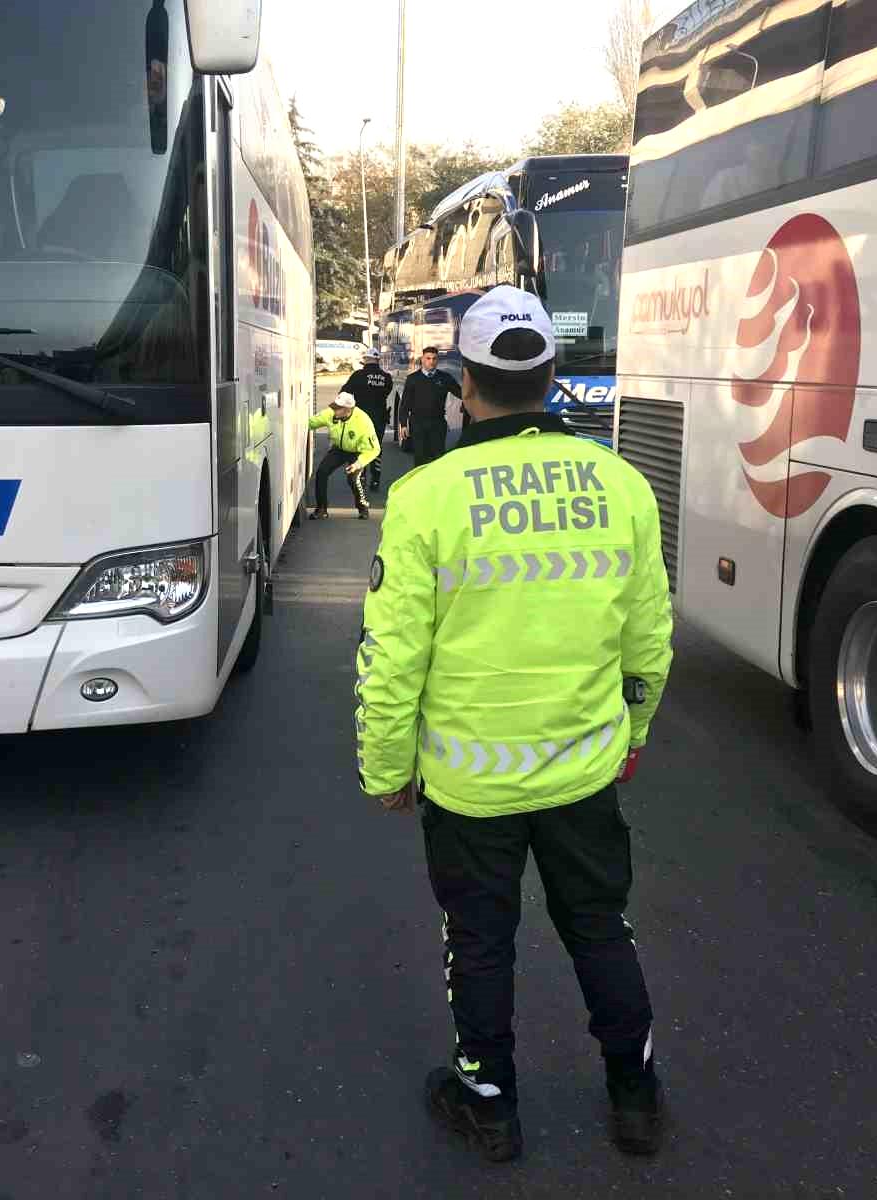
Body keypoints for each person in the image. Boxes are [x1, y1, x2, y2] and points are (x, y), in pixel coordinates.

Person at [354, 285, 674, 1163]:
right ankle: (635, 1093)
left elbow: (392, 659)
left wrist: (386, 770)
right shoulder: (623, 485)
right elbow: (649, 640)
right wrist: (633, 736)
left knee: (480, 940)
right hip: (583, 772)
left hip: (470, 785)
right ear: (554, 375)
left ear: (466, 380)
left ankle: (489, 1104)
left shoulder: (426, 497)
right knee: (600, 926)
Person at [307, 391, 380, 519]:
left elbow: (374, 450)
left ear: (348, 410)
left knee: (353, 479)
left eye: (337, 408)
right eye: (334, 406)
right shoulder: (330, 413)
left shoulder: (363, 422)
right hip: (339, 449)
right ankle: (321, 509)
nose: (333, 410)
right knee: (322, 472)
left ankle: (363, 508)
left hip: (357, 452)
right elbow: (311, 423)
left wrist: (358, 464)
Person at [339, 348, 395, 493]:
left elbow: (344, 392)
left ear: (365, 360)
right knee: (376, 447)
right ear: (378, 360)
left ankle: (361, 478)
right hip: (379, 418)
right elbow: (387, 391)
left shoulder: (358, 375)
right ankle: (375, 479)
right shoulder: (386, 377)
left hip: (360, 418)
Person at [399, 346, 461, 468]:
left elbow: (461, 393)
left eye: (434, 359)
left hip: (437, 423)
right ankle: (420, 484)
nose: (431, 361)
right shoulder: (413, 379)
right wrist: (404, 424)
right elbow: (405, 403)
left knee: (438, 458)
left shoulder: (445, 378)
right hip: (418, 424)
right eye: (428, 358)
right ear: (422, 359)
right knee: (420, 458)